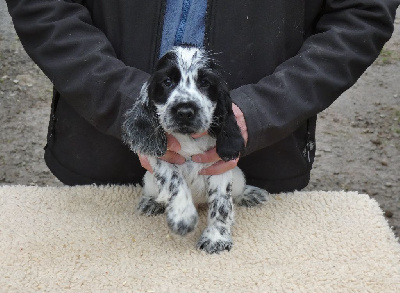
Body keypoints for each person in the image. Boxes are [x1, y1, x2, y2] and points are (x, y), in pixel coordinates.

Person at [5, 0, 399, 193]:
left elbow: (360, 14)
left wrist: (264, 110)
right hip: (102, 155)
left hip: (253, 163)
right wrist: (126, 102)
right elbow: (44, 6)